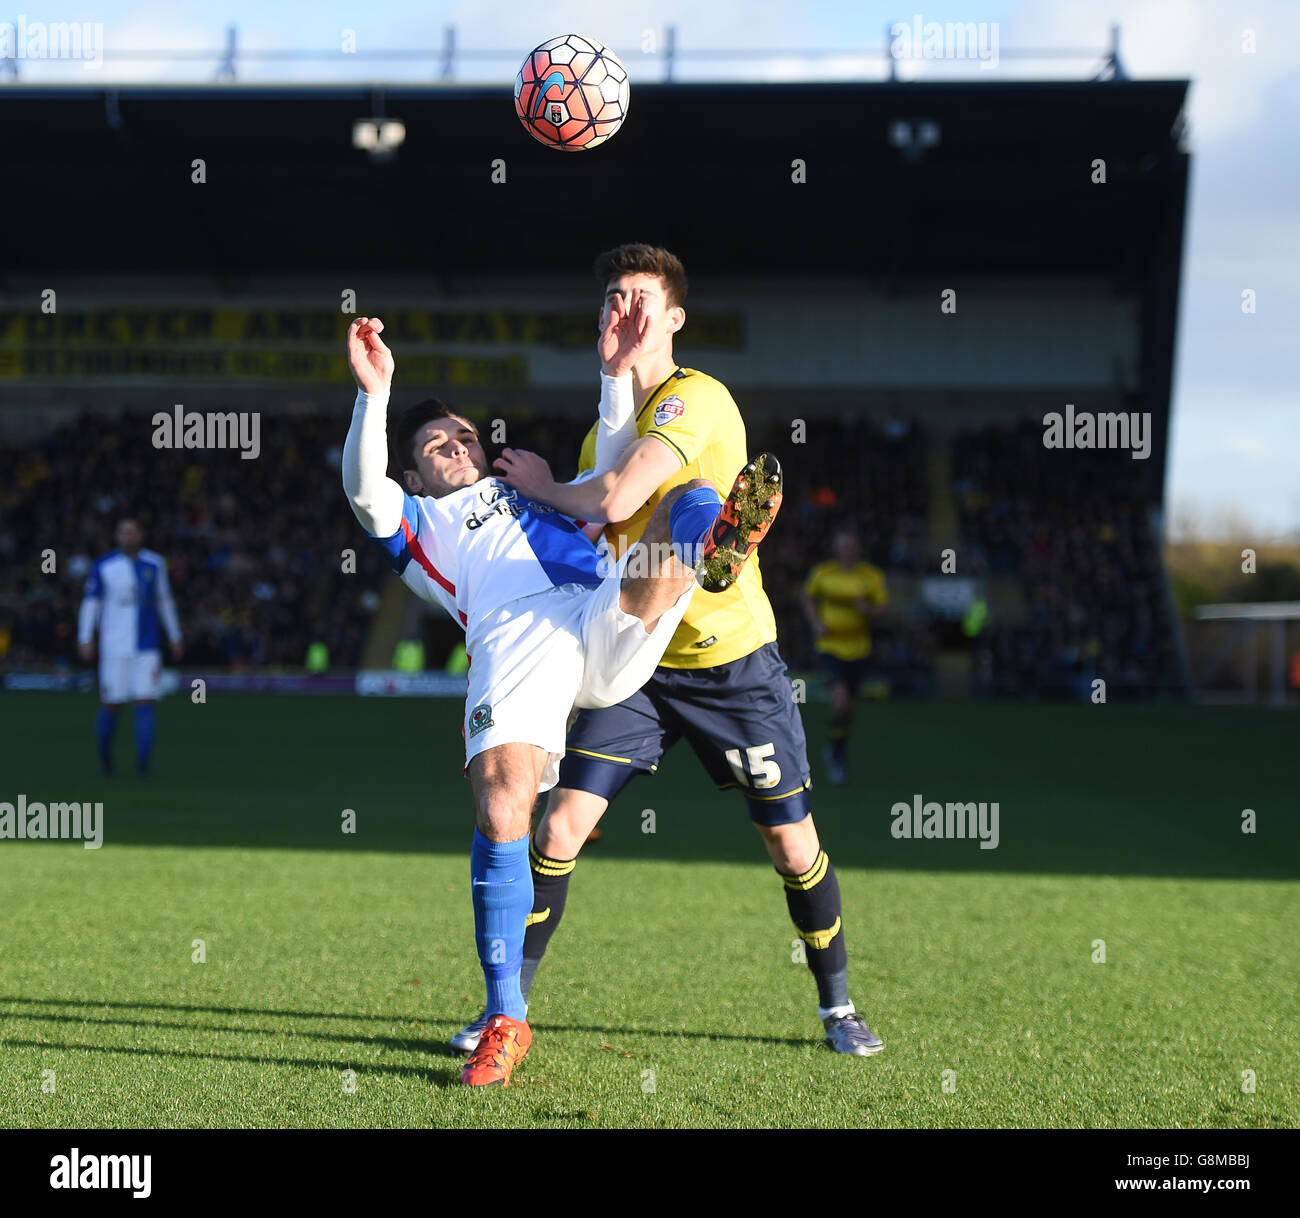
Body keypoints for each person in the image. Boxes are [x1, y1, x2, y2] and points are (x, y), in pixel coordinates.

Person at [453, 243, 883, 1058]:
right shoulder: (601, 434)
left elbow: (614, 494)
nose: (627, 307)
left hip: (732, 664)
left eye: (643, 295)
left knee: (792, 843)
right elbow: (591, 520)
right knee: (555, 834)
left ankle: (837, 1007)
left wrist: (542, 483)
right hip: (638, 669)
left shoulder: (696, 400)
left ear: (676, 317)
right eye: (614, 293)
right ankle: (504, 1013)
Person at [343, 313, 782, 1088]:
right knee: (506, 808)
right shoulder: (419, 520)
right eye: (438, 446)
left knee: (690, 495)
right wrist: (373, 395)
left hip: (602, 613)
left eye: (466, 436)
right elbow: (362, 491)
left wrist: (614, 369)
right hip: (518, 643)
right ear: (415, 474)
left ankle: (710, 549)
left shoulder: (536, 488)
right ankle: (505, 1016)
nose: (460, 448)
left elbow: (616, 453)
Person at [77, 518, 183, 777]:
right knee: (112, 704)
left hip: (147, 647)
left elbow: (164, 600)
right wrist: (85, 636)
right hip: (113, 647)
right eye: (124, 532)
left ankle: (143, 766)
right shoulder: (104, 565)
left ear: (141, 535)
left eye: (133, 532)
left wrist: (175, 635)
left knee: (145, 701)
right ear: (117, 536)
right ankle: (105, 759)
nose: (128, 536)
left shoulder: (155, 564)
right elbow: (91, 603)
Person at [803, 529, 889, 784]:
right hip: (830, 647)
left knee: (848, 707)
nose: (847, 550)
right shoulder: (823, 573)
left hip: (859, 649)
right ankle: (838, 756)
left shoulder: (871, 576)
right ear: (836, 548)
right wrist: (816, 623)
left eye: (851, 545)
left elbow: (884, 609)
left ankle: (836, 745)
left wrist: (870, 609)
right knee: (840, 700)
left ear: (858, 548)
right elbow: (808, 599)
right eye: (843, 545)